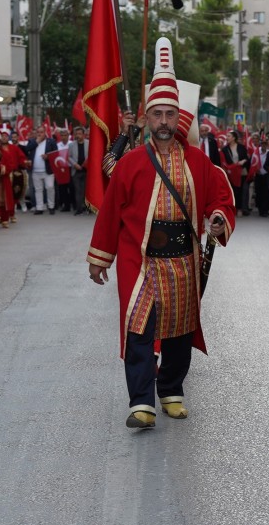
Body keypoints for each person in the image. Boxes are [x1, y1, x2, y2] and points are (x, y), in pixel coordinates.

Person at [87, 38, 236, 429]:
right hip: (141, 262)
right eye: (158, 115)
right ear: (148, 119)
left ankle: (170, 391)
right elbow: (108, 215)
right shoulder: (131, 163)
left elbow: (220, 195)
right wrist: (100, 257)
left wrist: (218, 217)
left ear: (178, 118)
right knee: (138, 329)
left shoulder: (199, 162)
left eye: (171, 114)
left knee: (178, 332)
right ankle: (141, 402)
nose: (165, 121)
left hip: (182, 260)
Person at [31, 128, 61, 214]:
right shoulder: (33, 141)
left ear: (45, 133)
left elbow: (56, 154)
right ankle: (39, 208)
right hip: (35, 170)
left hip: (48, 170)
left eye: (41, 132)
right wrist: (36, 142)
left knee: (50, 187)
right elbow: (27, 149)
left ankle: (51, 206)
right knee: (38, 189)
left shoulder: (51, 142)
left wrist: (48, 157)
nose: (39, 134)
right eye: (38, 132)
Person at [221, 130, 250, 216]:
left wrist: (243, 161)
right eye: (227, 136)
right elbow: (223, 161)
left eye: (229, 136)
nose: (227, 138)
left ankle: (240, 208)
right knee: (232, 191)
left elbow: (246, 158)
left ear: (234, 138)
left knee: (241, 190)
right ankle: (232, 208)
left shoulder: (241, 147)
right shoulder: (225, 149)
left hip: (241, 172)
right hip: (230, 173)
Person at [67, 125, 90, 214]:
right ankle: (78, 208)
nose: (78, 135)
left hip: (86, 170)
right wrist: (75, 164)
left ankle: (87, 207)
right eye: (76, 134)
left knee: (85, 190)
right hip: (76, 170)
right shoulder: (71, 145)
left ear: (84, 134)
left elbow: (91, 156)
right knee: (78, 190)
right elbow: (69, 157)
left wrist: (85, 163)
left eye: (80, 133)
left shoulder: (89, 143)